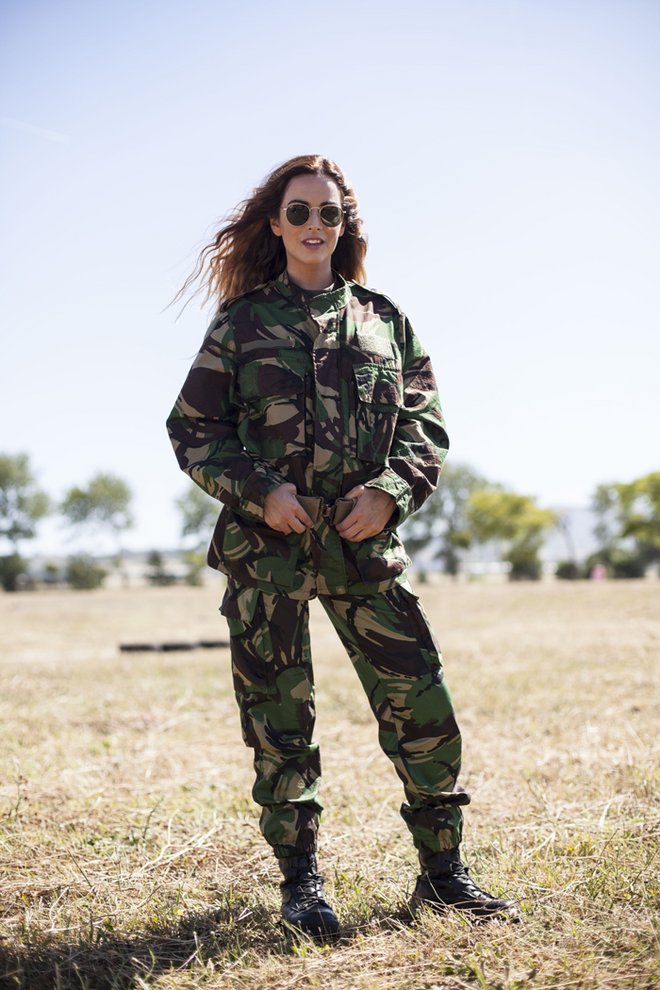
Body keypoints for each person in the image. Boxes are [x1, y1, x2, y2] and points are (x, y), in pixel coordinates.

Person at [167, 155, 516, 935]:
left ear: (343, 223)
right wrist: (262, 491)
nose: (314, 225)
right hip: (269, 554)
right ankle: (301, 885)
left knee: (423, 708)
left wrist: (389, 493)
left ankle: (444, 874)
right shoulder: (242, 323)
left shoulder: (385, 321)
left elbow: (425, 427)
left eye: (328, 212)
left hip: (364, 551)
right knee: (280, 728)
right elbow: (193, 429)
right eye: (299, 212)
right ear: (276, 224)